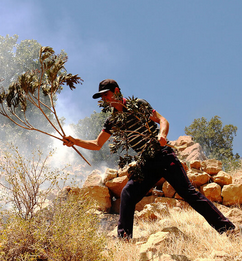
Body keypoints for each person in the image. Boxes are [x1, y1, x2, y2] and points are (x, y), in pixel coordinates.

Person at [63, 79, 236, 239]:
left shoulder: (138, 105)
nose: (105, 99)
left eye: (106, 94)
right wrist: (74, 141)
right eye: (102, 97)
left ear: (116, 91)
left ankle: (227, 229)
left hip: (163, 154)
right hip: (146, 162)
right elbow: (97, 143)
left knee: (189, 194)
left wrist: (162, 134)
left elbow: (162, 119)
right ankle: (124, 240)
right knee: (128, 194)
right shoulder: (112, 121)